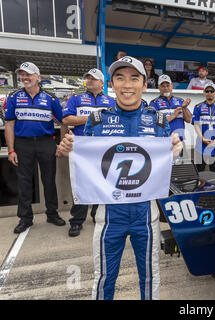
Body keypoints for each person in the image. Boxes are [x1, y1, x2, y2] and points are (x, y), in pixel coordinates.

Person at [57, 56, 182, 300]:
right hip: (109, 215)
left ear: (144, 85)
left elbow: (168, 164)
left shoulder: (158, 121)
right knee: (104, 278)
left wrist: (177, 151)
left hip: (146, 215)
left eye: (134, 78)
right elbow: (86, 160)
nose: (127, 84)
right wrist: (68, 149)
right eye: (120, 78)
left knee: (150, 277)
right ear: (111, 85)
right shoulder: (97, 120)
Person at [4, 62, 66, 234]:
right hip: (22, 144)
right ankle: (25, 218)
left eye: (28, 74)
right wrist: (11, 150)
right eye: (22, 75)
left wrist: (61, 144)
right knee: (24, 182)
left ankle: (52, 214)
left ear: (38, 77)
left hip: (46, 142)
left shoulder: (51, 98)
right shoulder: (14, 96)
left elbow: (64, 122)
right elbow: (9, 124)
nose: (24, 77)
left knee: (49, 181)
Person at [62, 68, 116, 237]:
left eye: (94, 79)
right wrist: (94, 117)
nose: (90, 81)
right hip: (82, 147)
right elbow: (66, 119)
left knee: (101, 182)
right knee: (81, 185)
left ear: (102, 83)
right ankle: (77, 221)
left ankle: (96, 215)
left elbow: (116, 121)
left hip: (103, 147)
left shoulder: (110, 101)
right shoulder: (76, 99)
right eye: (88, 78)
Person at [192, 83, 215, 173]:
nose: (209, 93)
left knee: (214, 172)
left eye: (212, 91)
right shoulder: (198, 107)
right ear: (204, 92)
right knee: (199, 172)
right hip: (201, 145)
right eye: (207, 91)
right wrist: (202, 138)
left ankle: (213, 187)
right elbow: (196, 125)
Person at [149, 74, 192, 142]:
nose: (166, 88)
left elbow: (189, 120)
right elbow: (154, 122)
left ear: (172, 86)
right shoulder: (154, 103)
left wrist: (184, 108)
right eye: (163, 86)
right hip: (162, 141)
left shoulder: (180, 101)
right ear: (158, 87)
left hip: (178, 141)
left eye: (168, 85)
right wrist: (173, 116)